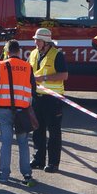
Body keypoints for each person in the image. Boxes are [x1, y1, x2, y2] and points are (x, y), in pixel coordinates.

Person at [0, 40, 37, 186]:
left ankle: (3, 175)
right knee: (23, 143)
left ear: (7, 51)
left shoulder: (0, 65)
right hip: (22, 111)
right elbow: (33, 89)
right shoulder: (27, 67)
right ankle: (27, 174)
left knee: (6, 142)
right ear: (19, 51)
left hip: (4, 109)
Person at [28, 27, 68, 172]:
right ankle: (38, 159)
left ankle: (53, 163)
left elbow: (64, 75)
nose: (35, 43)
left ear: (46, 42)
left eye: (38, 40)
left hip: (53, 99)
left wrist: (43, 78)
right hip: (37, 98)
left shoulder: (57, 55)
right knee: (37, 130)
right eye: (35, 40)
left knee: (54, 132)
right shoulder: (33, 54)